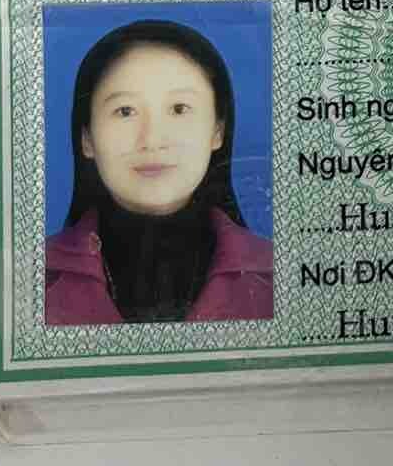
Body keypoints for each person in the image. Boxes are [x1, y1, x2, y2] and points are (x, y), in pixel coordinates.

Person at [45, 19, 273, 325]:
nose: (152, 140)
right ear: (87, 138)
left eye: (179, 109)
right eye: (125, 111)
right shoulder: (30, 280)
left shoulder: (278, 276)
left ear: (218, 131)